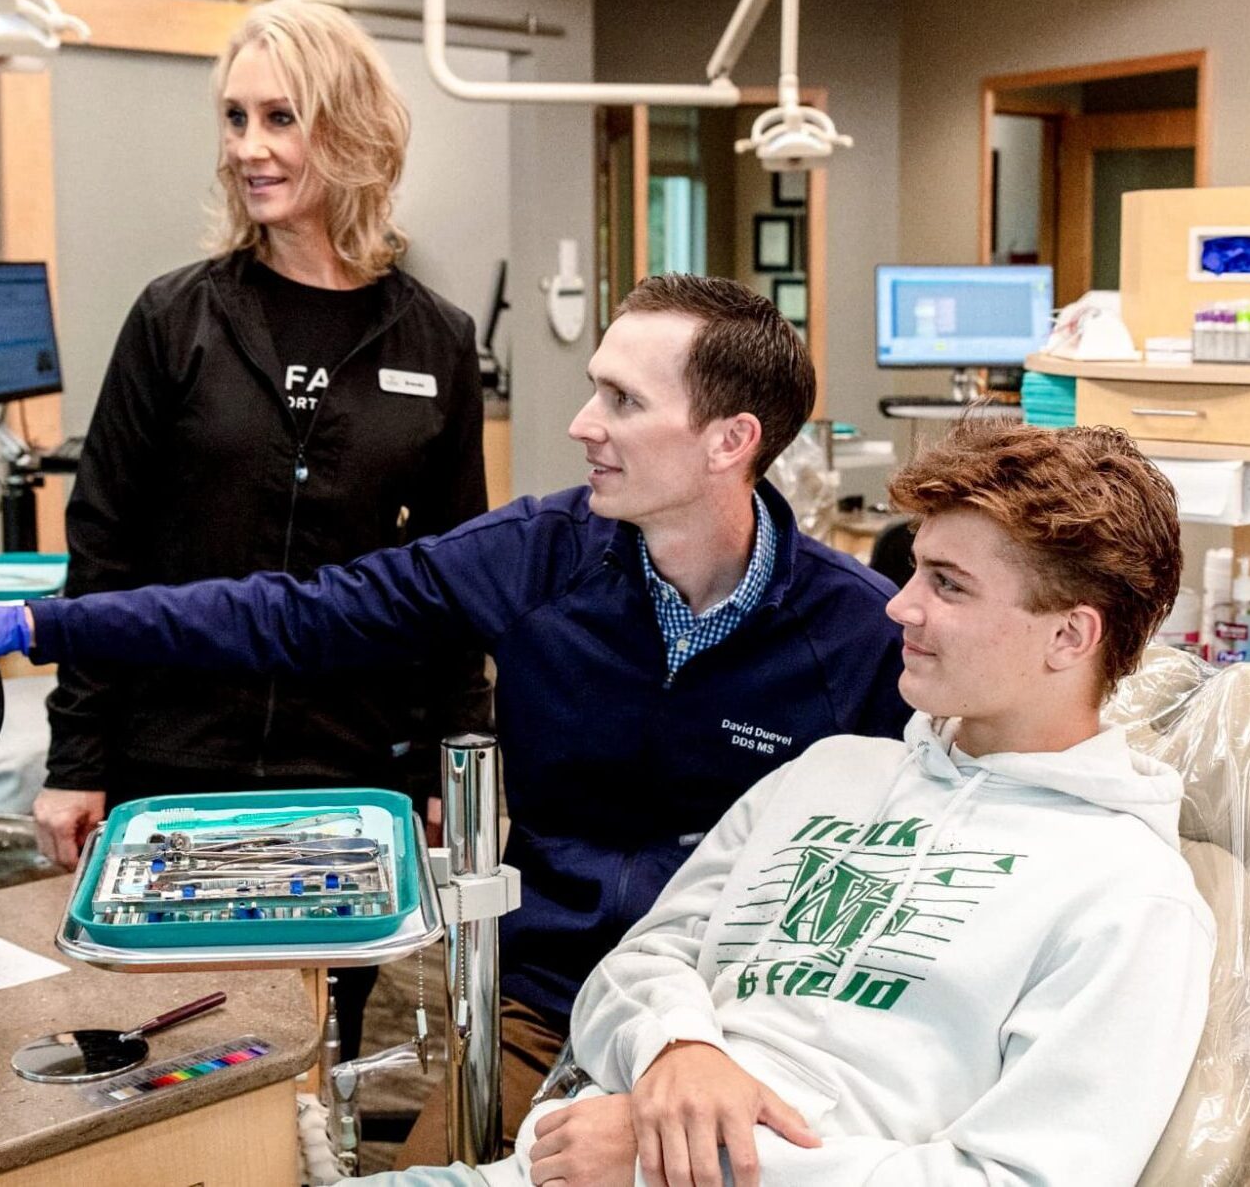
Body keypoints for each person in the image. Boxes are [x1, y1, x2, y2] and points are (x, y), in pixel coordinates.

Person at [0, 273, 908, 1154]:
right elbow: (290, 615)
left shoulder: (858, 635)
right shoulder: (535, 555)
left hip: (753, 1019)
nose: (580, 423)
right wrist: (32, 621)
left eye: (621, 399)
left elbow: (905, 864)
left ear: (730, 441)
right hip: (550, 1007)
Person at [360, 419, 1210, 1187]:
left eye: (947, 586)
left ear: (1070, 634)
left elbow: (1018, 1178)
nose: (898, 605)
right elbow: (636, 963)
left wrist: (678, 1158)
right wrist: (679, 1049)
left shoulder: (1128, 895)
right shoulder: (832, 772)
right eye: (914, 569)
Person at [33, 0, 490, 1054]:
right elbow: (103, 544)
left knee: (312, 1043)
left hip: (350, 762)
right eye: (235, 119)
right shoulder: (173, 318)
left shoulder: (436, 339)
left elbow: (456, 573)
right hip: (173, 754)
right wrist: (77, 753)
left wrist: (444, 763)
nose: (249, 148)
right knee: (175, 1046)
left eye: (280, 118)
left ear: (352, 131)